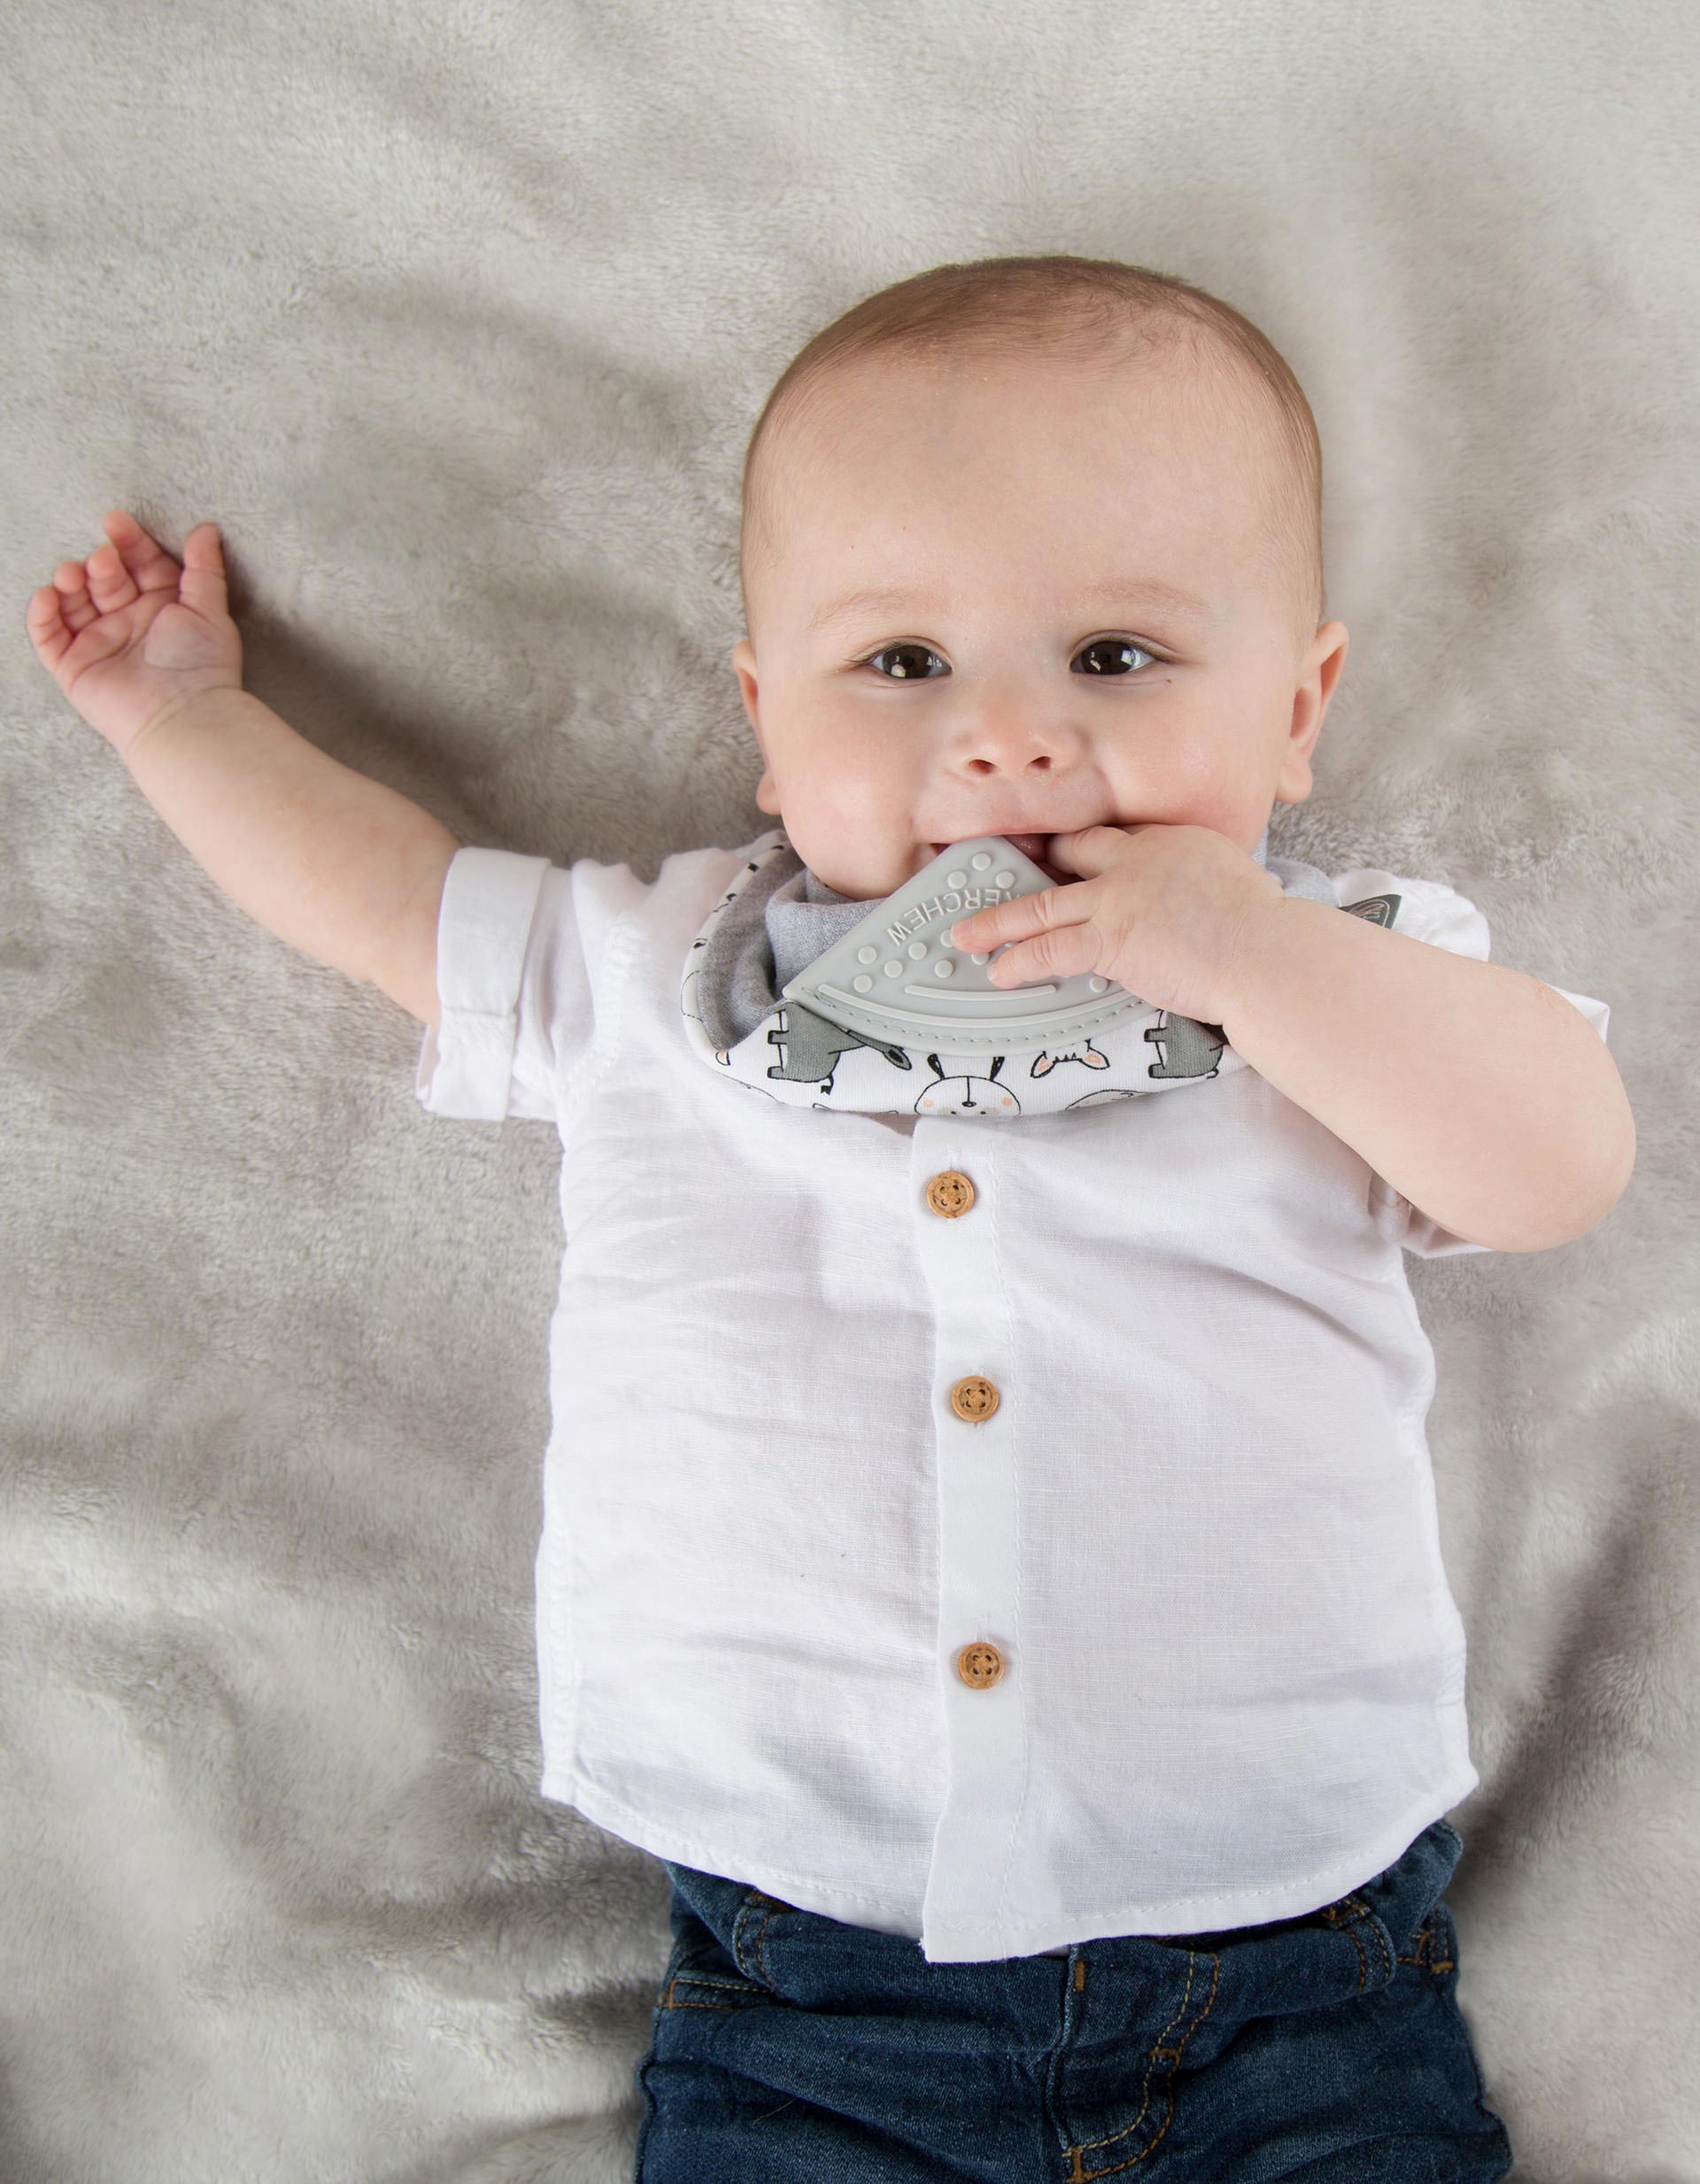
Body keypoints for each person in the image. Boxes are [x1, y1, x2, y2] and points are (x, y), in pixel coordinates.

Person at [27, 254, 1633, 2180]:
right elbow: (392, 906)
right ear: (767, 729)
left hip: (1293, 1952)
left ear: (1297, 711)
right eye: (902, 665)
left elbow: (1557, 1164)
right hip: (810, 1972)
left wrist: (1251, 949)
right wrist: (179, 721)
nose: (1007, 740)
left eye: (1117, 658)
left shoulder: (1346, 978)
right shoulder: (654, 973)